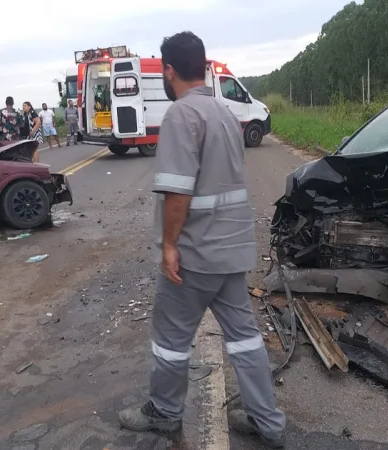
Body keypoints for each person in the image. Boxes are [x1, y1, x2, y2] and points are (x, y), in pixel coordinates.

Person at [116, 31, 286, 448]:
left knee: (172, 340)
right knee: (244, 337)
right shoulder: (225, 113)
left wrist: (170, 246)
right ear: (204, 65)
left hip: (196, 254)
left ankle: (164, 412)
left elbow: (179, 191)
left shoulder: (180, 116)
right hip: (233, 248)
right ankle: (269, 422)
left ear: (169, 70)